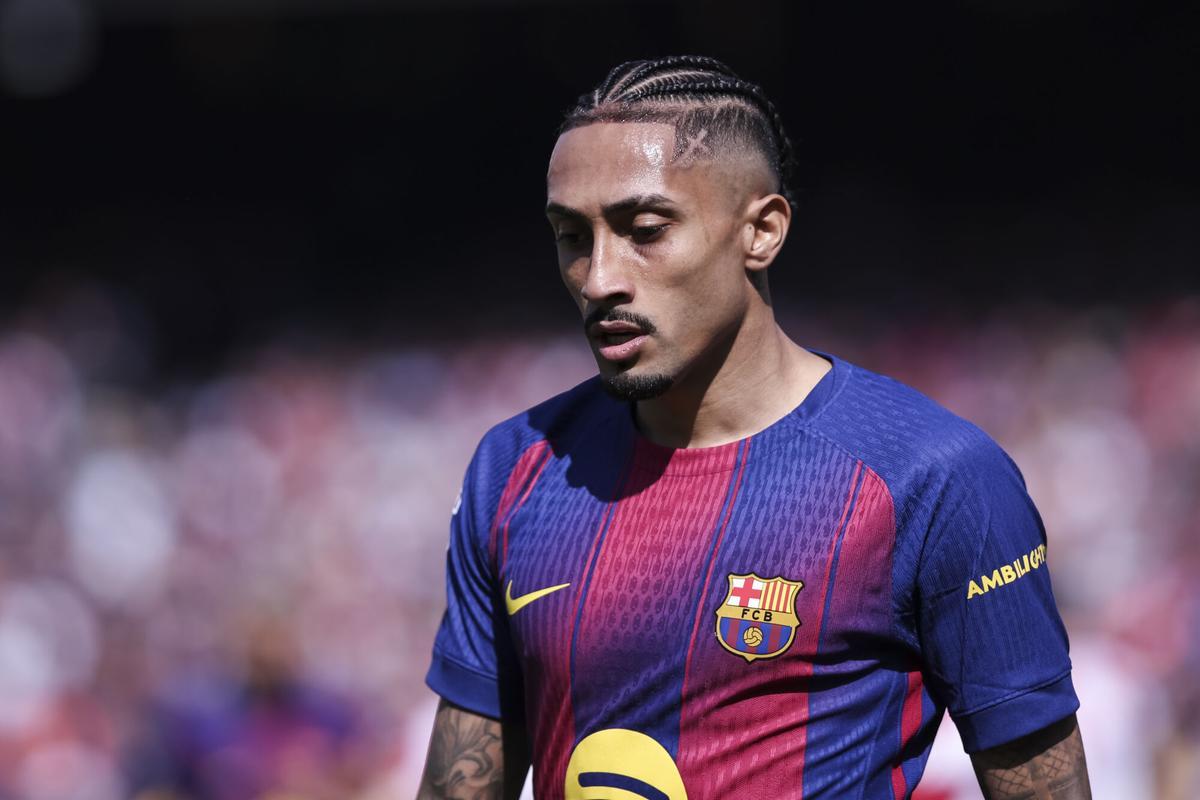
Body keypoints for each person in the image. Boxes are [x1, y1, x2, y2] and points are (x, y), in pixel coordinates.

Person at [417, 55, 1091, 800]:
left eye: (644, 228)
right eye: (572, 237)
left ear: (762, 232)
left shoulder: (934, 477)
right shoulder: (514, 467)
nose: (600, 277)